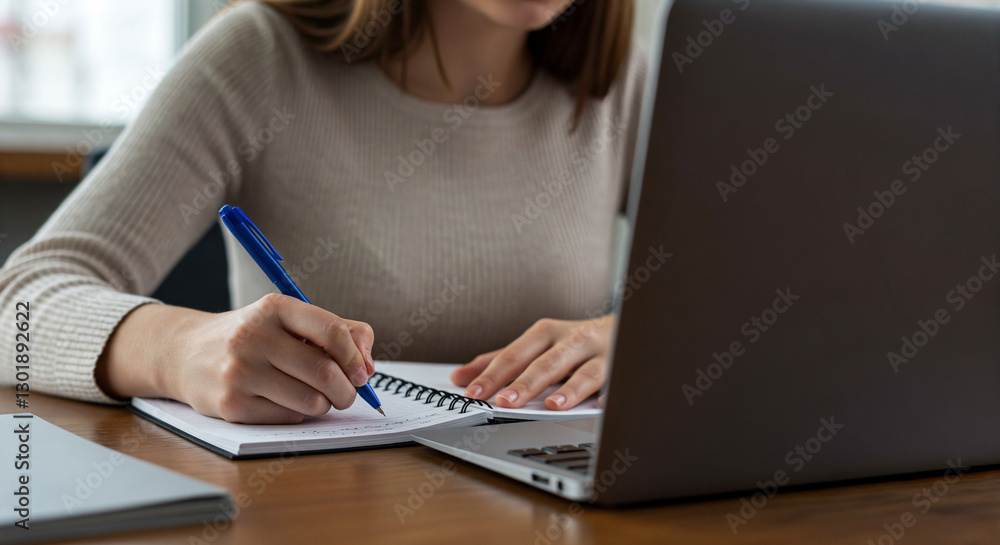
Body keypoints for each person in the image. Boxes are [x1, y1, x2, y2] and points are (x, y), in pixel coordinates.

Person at [0, 0, 645, 424]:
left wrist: (637, 337)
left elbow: (737, 306)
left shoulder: (627, 87)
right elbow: (18, 307)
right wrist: (179, 348)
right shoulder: (259, 58)